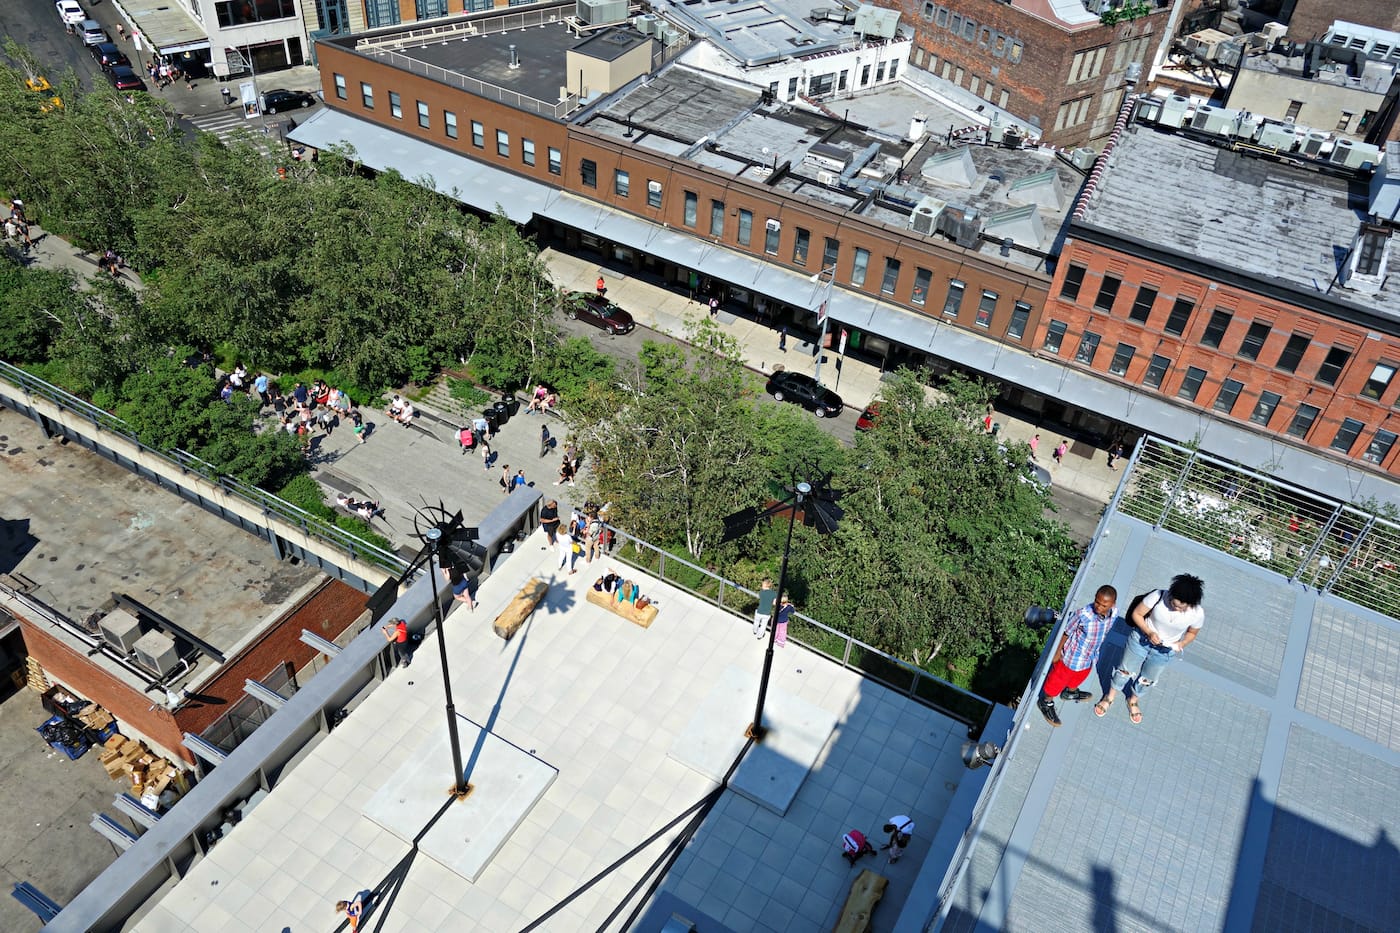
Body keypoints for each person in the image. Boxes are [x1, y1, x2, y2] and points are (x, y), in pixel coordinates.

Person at [1096, 574, 1204, 724]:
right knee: (1124, 669)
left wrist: (1182, 644)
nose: (1176, 609)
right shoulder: (1159, 596)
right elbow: (1137, 614)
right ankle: (1110, 696)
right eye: (1174, 604)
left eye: (1182, 607)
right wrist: (1149, 632)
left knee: (1148, 678)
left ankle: (1133, 700)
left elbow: (1192, 633)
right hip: (1141, 639)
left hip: (1165, 650)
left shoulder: (1197, 613)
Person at [1036, 585, 1118, 727]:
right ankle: (1046, 702)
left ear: (1112, 604)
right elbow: (1066, 632)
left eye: (1104, 605)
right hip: (1071, 657)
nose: (1098, 607)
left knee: (1080, 677)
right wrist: (1057, 653)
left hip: (1090, 656)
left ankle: (1070, 692)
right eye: (1097, 602)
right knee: (1056, 682)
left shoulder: (1114, 614)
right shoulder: (1083, 614)